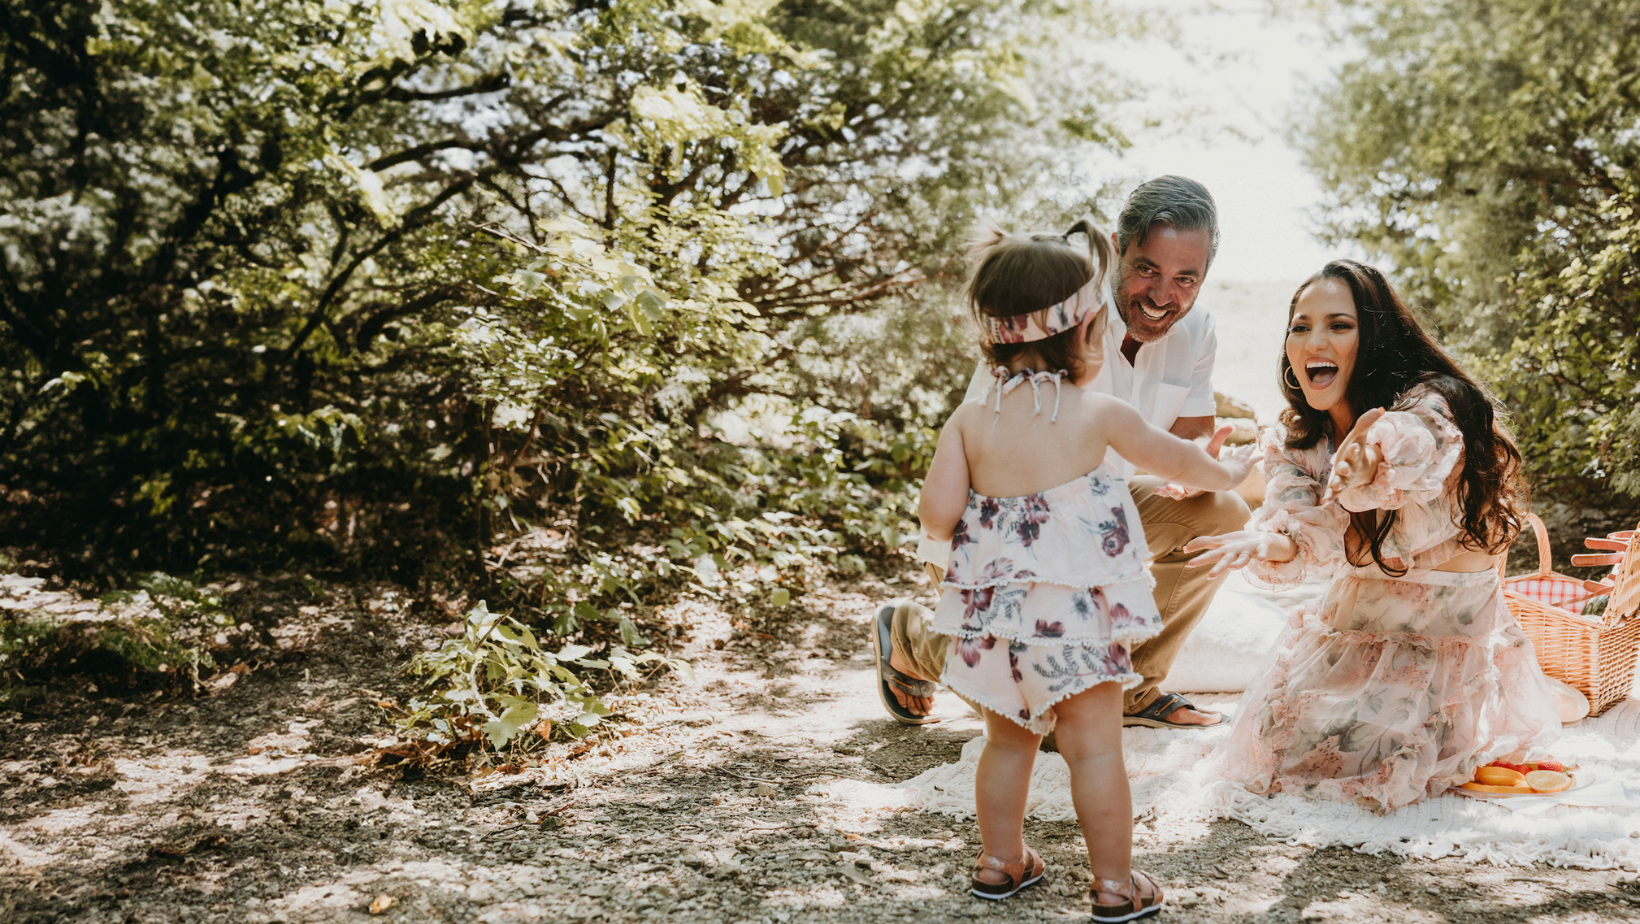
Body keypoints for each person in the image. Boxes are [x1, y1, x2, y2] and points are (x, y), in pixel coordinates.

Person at [919, 218, 1256, 918]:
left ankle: (999, 862)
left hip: (999, 621)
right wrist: (1229, 468)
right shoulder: (1097, 412)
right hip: (1075, 622)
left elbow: (937, 510)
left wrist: (953, 546)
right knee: (1096, 750)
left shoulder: (971, 419)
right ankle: (1114, 885)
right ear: (1082, 333)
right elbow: (1180, 462)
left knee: (1006, 743)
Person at [874, 175, 1251, 731]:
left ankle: (1134, 686)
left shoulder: (1197, 331)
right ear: (1118, 247)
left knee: (1223, 516)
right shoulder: (1056, 308)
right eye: (1148, 269)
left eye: (1185, 279)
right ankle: (913, 639)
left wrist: (1201, 472)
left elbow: (1190, 438)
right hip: (996, 542)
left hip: (1091, 528)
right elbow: (955, 502)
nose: (1163, 295)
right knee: (1041, 724)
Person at [1185, 259, 1562, 811]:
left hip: (1441, 641)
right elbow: (1300, 531)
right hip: (1353, 626)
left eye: (1339, 324)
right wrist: (1266, 542)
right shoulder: (1295, 440)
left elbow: (1415, 440)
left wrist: (1368, 461)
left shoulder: (1434, 400)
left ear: (1376, 335)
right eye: (1300, 326)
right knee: (1278, 754)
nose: (1315, 340)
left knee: (1381, 764)